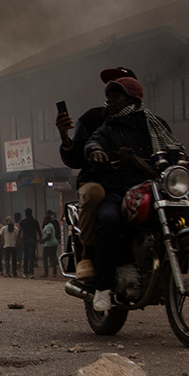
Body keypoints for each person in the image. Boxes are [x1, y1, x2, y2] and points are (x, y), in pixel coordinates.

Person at [84, 75, 181, 314]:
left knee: (183, 216)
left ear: (133, 98)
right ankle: (104, 287)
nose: (110, 101)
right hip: (119, 191)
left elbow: (173, 148)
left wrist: (185, 161)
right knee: (108, 220)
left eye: (116, 96)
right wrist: (95, 150)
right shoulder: (108, 128)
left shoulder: (156, 125)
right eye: (108, 97)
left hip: (156, 188)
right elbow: (93, 141)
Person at [57, 65, 138, 281]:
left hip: (136, 183)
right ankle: (87, 255)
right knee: (95, 195)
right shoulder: (95, 120)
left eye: (121, 87)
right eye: (111, 89)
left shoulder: (148, 122)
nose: (113, 94)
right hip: (100, 182)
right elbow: (76, 157)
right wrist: (65, 137)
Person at [19, 208, 41, 278]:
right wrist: (40, 239)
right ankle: (31, 272)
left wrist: (18, 239)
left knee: (25, 256)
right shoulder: (35, 222)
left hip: (25, 241)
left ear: (25, 214)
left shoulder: (23, 222)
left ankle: (25, 272)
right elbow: (39, 231)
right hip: (33, 240)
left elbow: (20, 231)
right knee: (31, 257)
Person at [39, 212, 59, 278]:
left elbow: (49, 236)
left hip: (48, 245)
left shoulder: (47, 226)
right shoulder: (51, 225)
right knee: (52, 258)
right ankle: (54, 273)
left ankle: (46, 273)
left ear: (48, 220)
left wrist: (42, 240)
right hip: (54, 243)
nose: (44, 220)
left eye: (45, 219)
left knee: (44, 258)